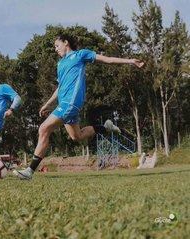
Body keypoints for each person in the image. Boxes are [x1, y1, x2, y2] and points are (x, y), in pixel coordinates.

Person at [14, 33, 144, 180]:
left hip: (71, 103)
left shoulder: (81, 55)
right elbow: (60, 87)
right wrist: (47, 104)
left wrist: (130, 61)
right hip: (64, 103)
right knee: (77, 136)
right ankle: (106, 127)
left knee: (43, 129)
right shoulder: (60, 64)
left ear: (66, 43)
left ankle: (29, 171)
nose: (56, 49)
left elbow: (107, 60)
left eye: (57, 46)